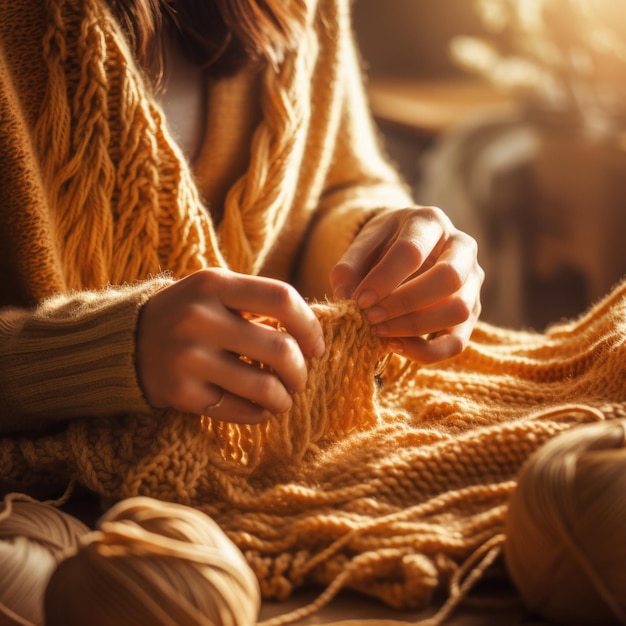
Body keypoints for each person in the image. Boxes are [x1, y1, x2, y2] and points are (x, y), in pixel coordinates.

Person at [0, 0, 482, 435]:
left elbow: (339, 179)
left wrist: (379, 240)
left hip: (295, 437)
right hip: (54, 496)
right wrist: (96, 355)